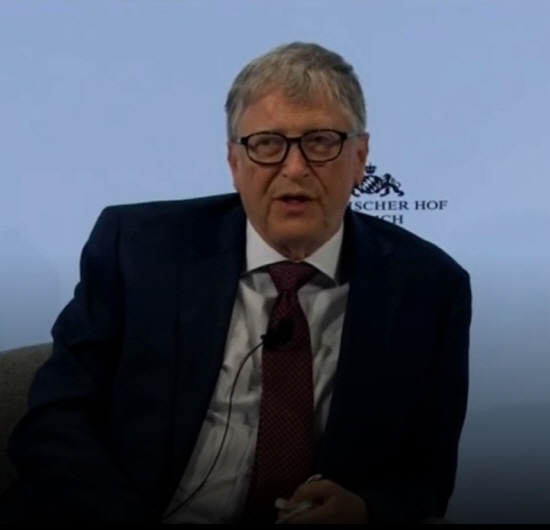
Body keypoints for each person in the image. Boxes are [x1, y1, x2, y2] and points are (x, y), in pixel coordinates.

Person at [0, 42, 471, 524]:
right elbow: (55, 419)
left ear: (360, 158)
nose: (294, 168)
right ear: (234, 162)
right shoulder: (138, 249)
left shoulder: (428, 289)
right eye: (267, 143)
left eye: (321, 142)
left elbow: (426, 479)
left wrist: (363, 510)